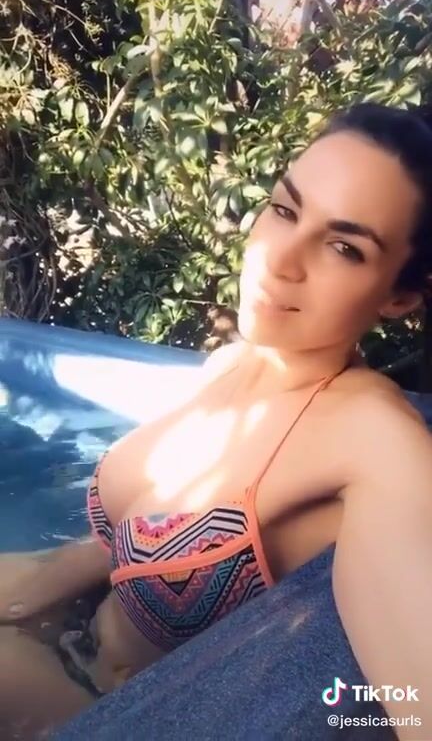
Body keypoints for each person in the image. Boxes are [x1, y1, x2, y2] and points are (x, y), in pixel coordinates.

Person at [1, 101, 432, 740]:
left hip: (102, 705)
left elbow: (417, 697)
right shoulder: (229, 366)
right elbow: (118, 543)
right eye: (285, 210)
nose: (281, 260)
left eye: (344, 247)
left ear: (399, 296)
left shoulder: (375, 438)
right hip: (60, 631)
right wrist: (29, 593)